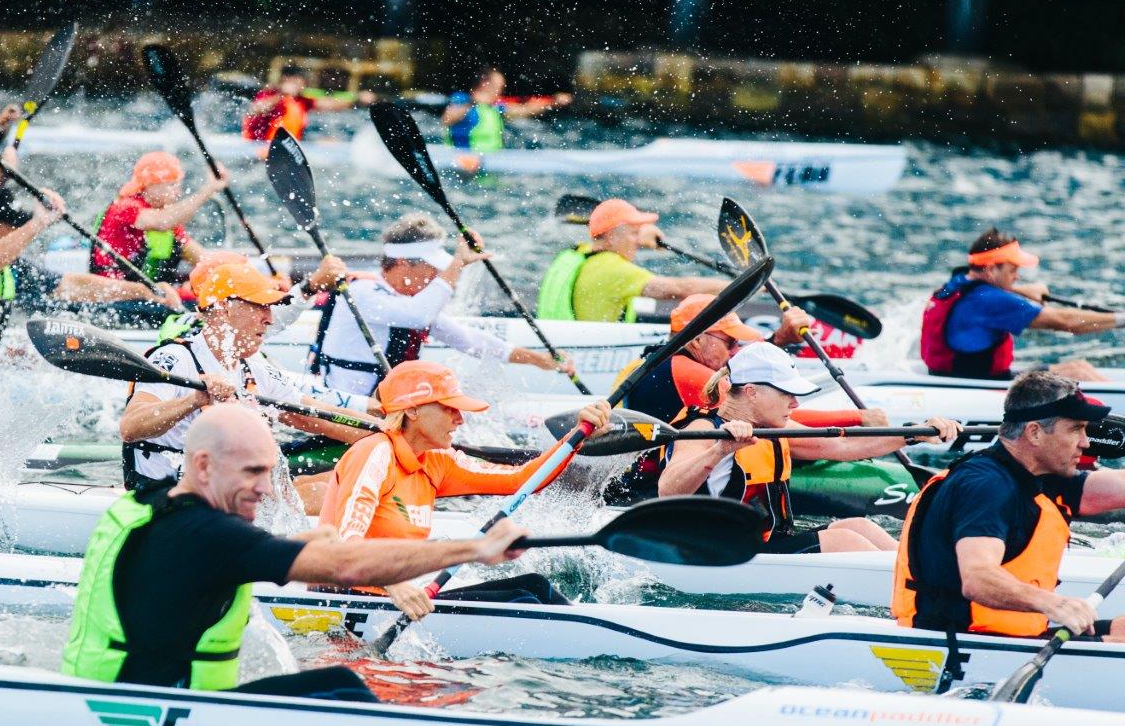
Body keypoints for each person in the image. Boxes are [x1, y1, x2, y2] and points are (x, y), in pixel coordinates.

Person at [63, 404, 535, 699]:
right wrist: (473, 548)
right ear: (203, 465)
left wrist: (301, 542)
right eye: (252, 472)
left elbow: (223, 557)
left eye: (268, 472)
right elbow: (345, 565)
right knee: (341, 687)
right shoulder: (211, 535)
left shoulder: (142, 506)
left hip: (104, 691)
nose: (265, 490)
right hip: (160, 714)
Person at [319, 360, 611, 620]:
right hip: (349, 600)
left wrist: (578, 435)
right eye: (449, 408)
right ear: (411, 410)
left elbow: (521, 480)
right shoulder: (374, 452)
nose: (460, 419)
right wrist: (393, 583)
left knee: (532, 586)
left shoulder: (437, 461)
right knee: (521, 600)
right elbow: (343, 544)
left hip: (400, 602)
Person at [658, 343, 959, 554]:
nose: (795, 404)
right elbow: (668, 491)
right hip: (723, 553)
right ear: (751, 392)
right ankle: (916, 589)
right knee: (845, 543)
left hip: (769, 544)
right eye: (787, 394)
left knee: (858, 527)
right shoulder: (702, 431)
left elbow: (841, 445)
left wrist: (915, 434)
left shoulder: (775, 428)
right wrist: (721, 451)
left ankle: (920, 574)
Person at [894, 370, 1125, 641]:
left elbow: (1114, 486)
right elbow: (978, 579)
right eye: (1076, 429)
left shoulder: (1039, 476)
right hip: (963, 643)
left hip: (1014, 636)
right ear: (1035, 432)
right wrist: (1056, 604)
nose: (1085, 443)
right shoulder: (986, 486)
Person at [120, 257, 380, 494]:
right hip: (166, 498)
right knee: (328, 495)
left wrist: (389, 433)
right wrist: (194, 400)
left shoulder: (254, 370)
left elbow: (312, 413)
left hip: (226, 492)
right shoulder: (175, 359)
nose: (269, 319)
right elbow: (130, 428)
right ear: (223, 310)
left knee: (340, 484)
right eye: (261, 307)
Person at [608, 294, 888, 503]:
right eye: (729, 342)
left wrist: (779, 340)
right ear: (697, 341)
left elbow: (755, 393)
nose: (733, 351)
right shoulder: (689, 374)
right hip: (647, 490)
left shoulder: (660, 358)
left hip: (654, 468)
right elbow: (762, 409)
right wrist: (859, 418)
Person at [315, 213, 574, 396]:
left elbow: (470, 341)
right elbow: (418, 316)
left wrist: (538, 360)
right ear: (404, 264)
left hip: (381, 408)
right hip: (346, 413)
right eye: (432, 269)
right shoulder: (362, 293)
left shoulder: (406, 302)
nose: (437, 278)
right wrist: (457, 264)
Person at [0, 188, 181, 355]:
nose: (17, 235)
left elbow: (70, 286)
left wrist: (144, 291)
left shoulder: (9, 266)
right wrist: (37, 225)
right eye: (10, 228)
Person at [921, 227, 1122, 381]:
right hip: (980, 382)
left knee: (1080, 367)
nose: (1017, 276)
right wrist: (1120, 319)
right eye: (1013, 270)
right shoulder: (992, 300)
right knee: (1079, 373)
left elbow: (976, 292)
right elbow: (1066, 322)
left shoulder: (955, 283)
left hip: (954, 374)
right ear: (991, 270)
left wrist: (1020, 290)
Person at [536, 199, 725, 323]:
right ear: (611, 237)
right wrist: (744, 285)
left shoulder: (576, 254)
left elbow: (610, 239)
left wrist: (636, 236)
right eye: (634, 233)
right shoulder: (614, 270)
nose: (638, 241)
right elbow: (680, 290)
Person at [89, 151, 226, 284]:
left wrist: (229, 270)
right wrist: (209, 189)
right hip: (115, 291)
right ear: (151, 184)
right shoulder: (125, 207)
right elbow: (161, 222)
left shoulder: (166, 219)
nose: (178, 193)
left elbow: (202, 258)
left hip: (148, 292)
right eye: (172, 185)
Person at [441, 66, 571, 152]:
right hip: (464, 162)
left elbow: (525, 109)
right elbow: (448, 118)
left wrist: (553, 102)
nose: (501, 91)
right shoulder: (461, 99)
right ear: (484, 84)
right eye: (499, 87)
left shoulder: (495, 107)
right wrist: (475, 102)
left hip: (489, 163)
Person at [241, 65, 374, 141]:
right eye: (299, 82)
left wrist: (357, 99)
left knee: (329, 141)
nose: (302, 86)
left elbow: (328, 104)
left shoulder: (301, 100)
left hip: (284, 149)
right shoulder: (270, 94)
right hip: (258, 147)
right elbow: (255, 109)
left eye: (303, 83)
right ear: (286, 80)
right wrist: (282, 93)